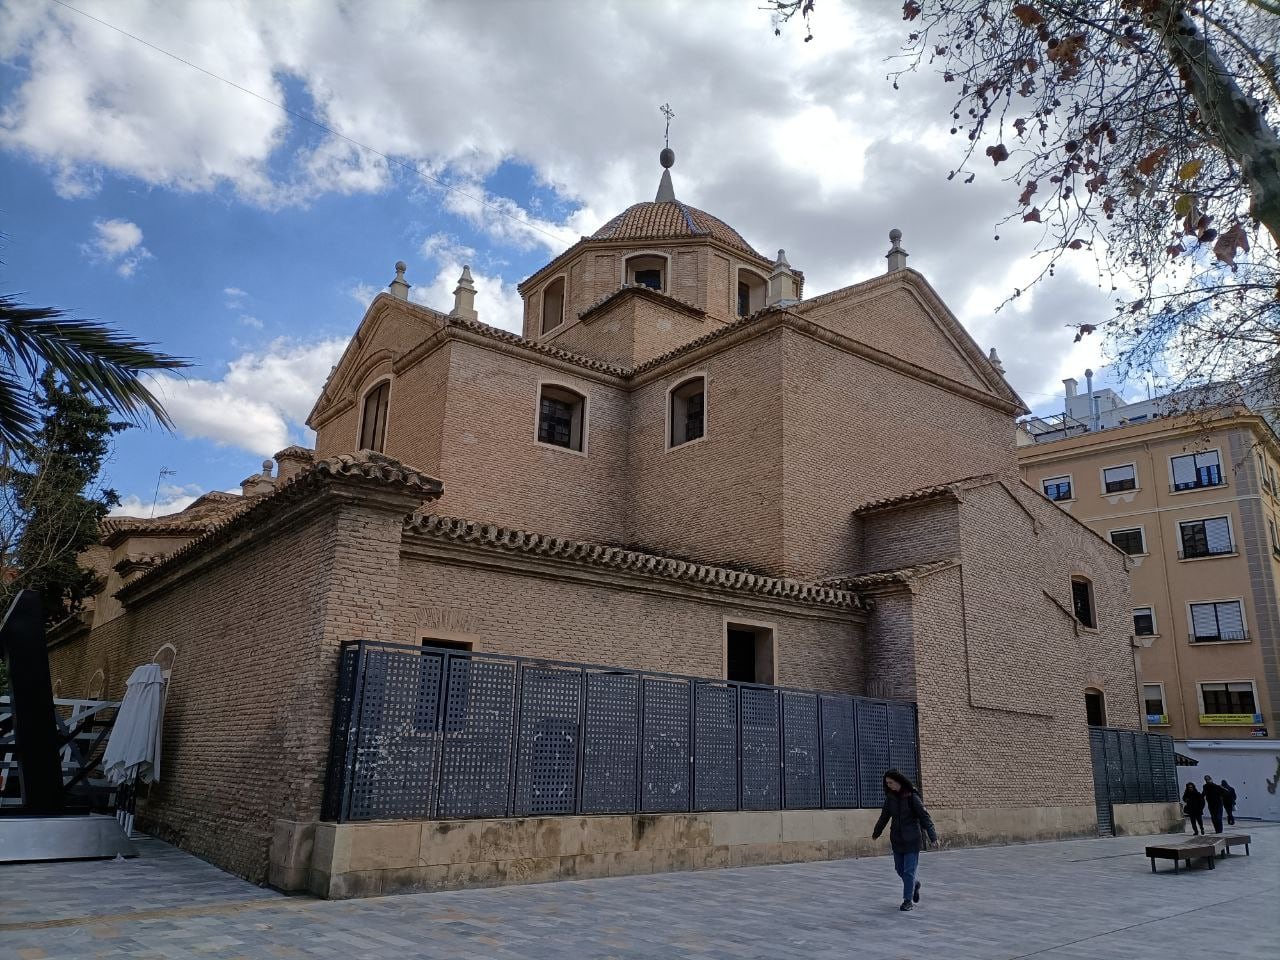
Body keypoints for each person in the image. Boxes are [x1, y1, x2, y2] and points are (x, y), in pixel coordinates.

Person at [871, 769, 938, 912]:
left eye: (891, 782)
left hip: (912, 839)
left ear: (898, 781)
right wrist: (877, 832)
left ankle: (907, 901)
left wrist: (933, 837)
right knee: (899, 869)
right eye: (887, 783)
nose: (889, 785)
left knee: (908, 871)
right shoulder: (890, 798)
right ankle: (915, 884)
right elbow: (884, 817)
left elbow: (925, 817)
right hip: (897, 839)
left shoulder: (912, 796)